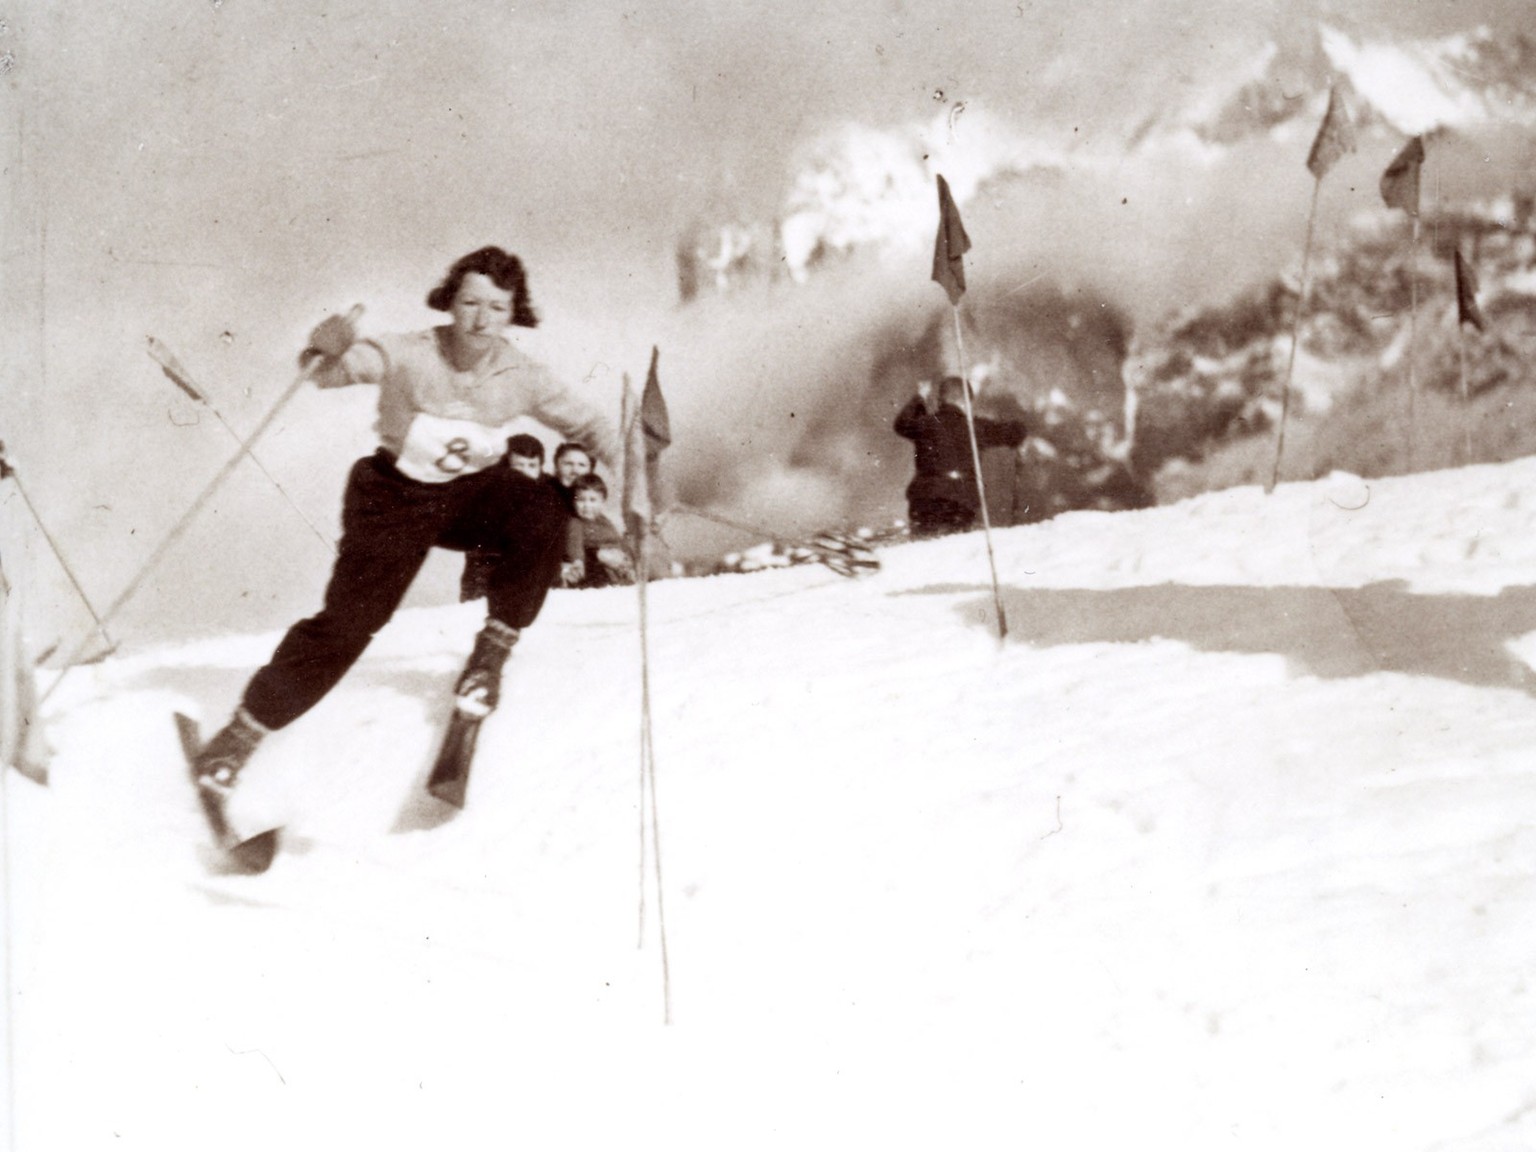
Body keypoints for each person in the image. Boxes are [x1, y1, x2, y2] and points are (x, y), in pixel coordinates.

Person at [193, 245, 621, 801]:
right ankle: (238, 739)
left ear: (515, 313)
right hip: (394, 498)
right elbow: (331, 371)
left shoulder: (523, 374)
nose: (481, 319)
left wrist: (639, 479)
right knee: (351, 623)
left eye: (496, 307)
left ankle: (490, 655)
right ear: (450, 301)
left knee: (539, 505)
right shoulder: (410, 352)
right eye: (469, 302)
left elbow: (591, 426)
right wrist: (324, 349)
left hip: (472, 495)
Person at [893, 375, 1027, 538]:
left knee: (924, 550)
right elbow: (1016, 432)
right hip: (960, 501)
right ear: (965, 401)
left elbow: (902, 423)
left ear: (941, 400)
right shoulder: (975, 428)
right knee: (955, 550)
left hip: (925, 500)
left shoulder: (925, 424)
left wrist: (920, 397)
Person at [459, 432, 549, 601]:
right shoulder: (490, 491)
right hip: (487, 567)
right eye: (519, 466)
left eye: (532, 465)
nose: (526, 473)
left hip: (528, 570)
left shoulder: (546, 492)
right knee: (477, 612)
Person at [562, 472, 634, 589]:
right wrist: (578, 561)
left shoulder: (604, 521)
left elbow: (617, 539)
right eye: (581, 500)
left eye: (592, 500)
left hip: (615, 560)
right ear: (573, 502)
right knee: (598, 572)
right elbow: (575, 545)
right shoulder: (575, 522)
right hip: (594, 562)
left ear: (602, 502)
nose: (587, 506)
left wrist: (623, 555)